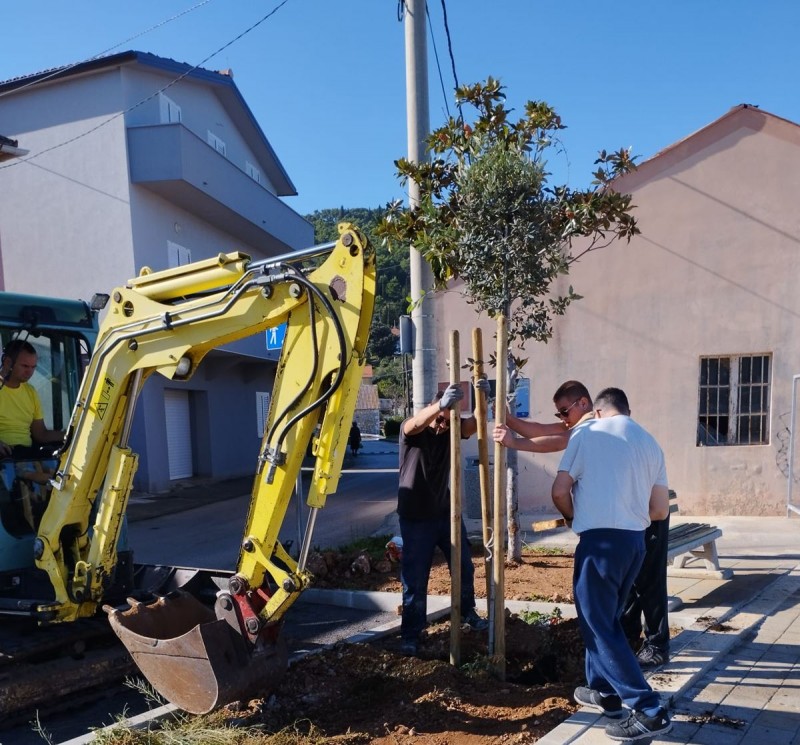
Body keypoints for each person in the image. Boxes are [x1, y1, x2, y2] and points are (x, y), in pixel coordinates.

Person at [551, 387, 672, 741]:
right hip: (635, 544)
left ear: (598, 411)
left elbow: (560, 491)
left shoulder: (586, 433)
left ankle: (648, 709)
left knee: (597, 623)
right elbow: (660, 510)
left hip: (600, 544)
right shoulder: (650, 442)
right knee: (606, 619)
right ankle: (603, 691)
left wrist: (576, 518)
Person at [397, 380, 490, 656]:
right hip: (415, 516)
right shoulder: (414, 431)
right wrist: (440, 407)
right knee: (415, 578)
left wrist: (483, 398)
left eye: (448, 421)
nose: (442, 426)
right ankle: (411, 633)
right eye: (440, 418)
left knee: (463, 565)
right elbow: (413, 424)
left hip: (445, 512)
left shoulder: (451, 429)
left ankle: (467, 613)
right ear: (432, 409)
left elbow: (473, 425)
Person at [0, 339, 65, 459]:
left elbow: (41, 434)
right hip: (4, 458)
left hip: (26, 456)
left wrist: (69, 435)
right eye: (25, 366)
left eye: (33, 367)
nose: (30, 372)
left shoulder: (31, 392)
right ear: (7, 362)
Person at [493, 379, 594, 453]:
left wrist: (513, 442)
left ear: (583, 403)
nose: (562, 418)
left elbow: (558, 442)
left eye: (564, 411)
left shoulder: (592, 421)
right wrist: (508, 419)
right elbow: (542, 430)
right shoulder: (576, 425)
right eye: (559, 414)